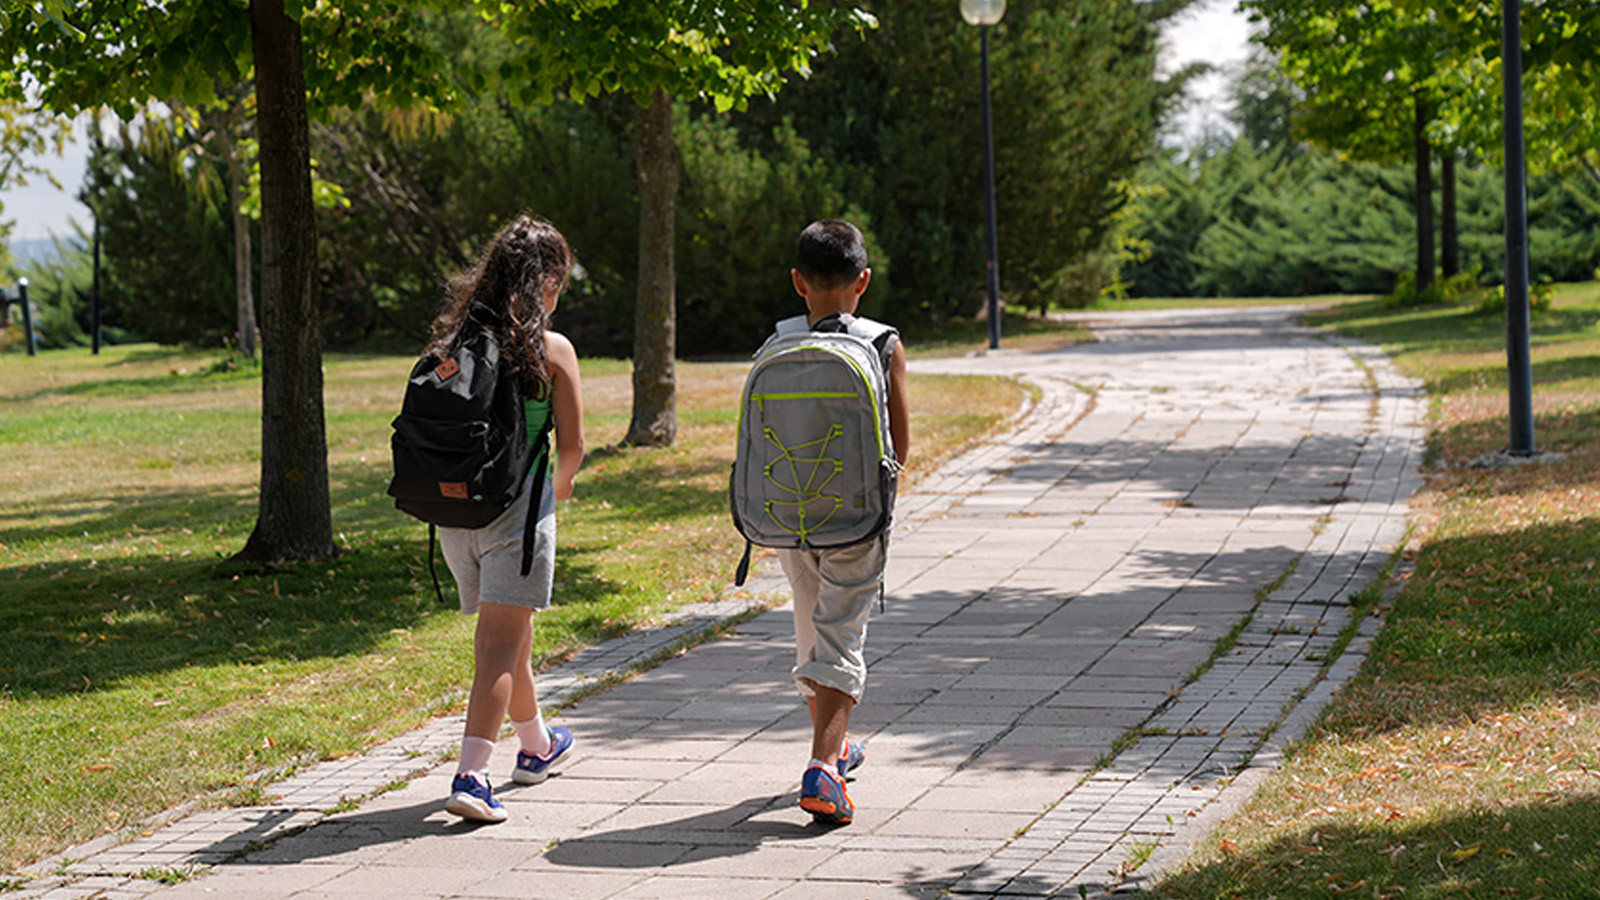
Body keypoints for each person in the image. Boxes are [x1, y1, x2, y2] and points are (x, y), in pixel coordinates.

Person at [429, 215, 586, 823]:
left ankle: (538, 746)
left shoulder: (451, 343)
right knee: (498, 644)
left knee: (509, 635)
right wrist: (557, 490)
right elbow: (572, 447)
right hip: (516, 517)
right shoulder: (551, 350)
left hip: (452, 513)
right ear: (546, 283)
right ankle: (472, 775)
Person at [777, 219, 910, 826]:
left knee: (812, 628)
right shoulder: (883, 344)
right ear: (864, 281)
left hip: (788, 512)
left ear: (798, 282)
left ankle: (835, 744)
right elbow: (899, 444)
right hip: (855, 515)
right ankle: (824, 766)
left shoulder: (778, 343)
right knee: (841, 636)